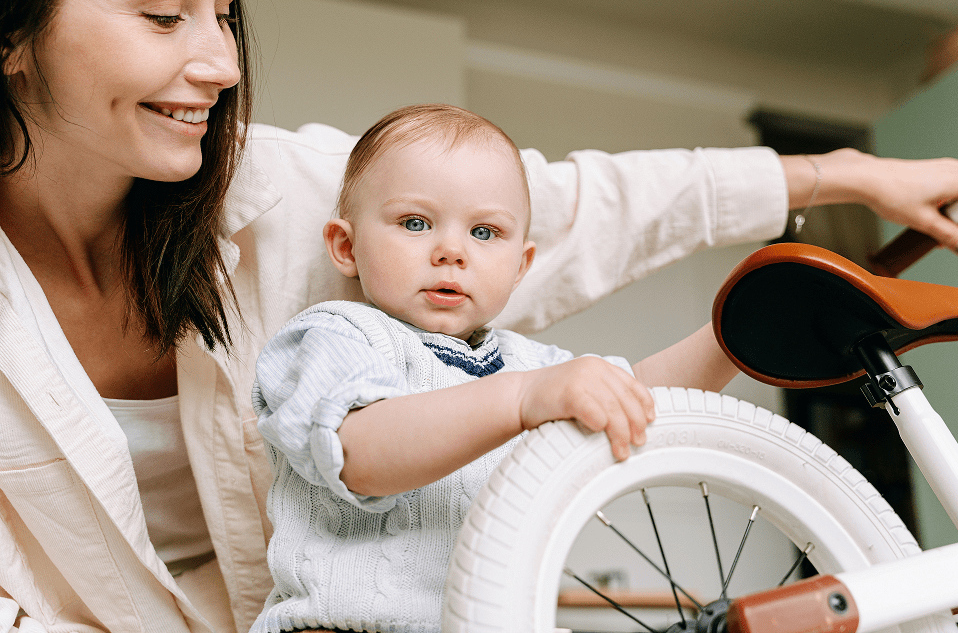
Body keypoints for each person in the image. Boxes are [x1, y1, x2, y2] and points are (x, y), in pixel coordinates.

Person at [3, 0, 958, 632]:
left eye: (226, 11)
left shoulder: (339, 228)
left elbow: (591, 249)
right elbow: (355, 451)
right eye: (164, 13)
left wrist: (763, 288)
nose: (221, 62)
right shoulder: (338, 331)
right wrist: (533, 398)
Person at [249, 103, 743, 633]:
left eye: (484, 232)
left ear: (520, 266)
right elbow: (358, 452)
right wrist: (522, 400)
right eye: (415, 223)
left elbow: (637, 391)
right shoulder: (334, 334)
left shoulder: (528, 364)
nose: (451, 251)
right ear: (346, 246)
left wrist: (736, 337)